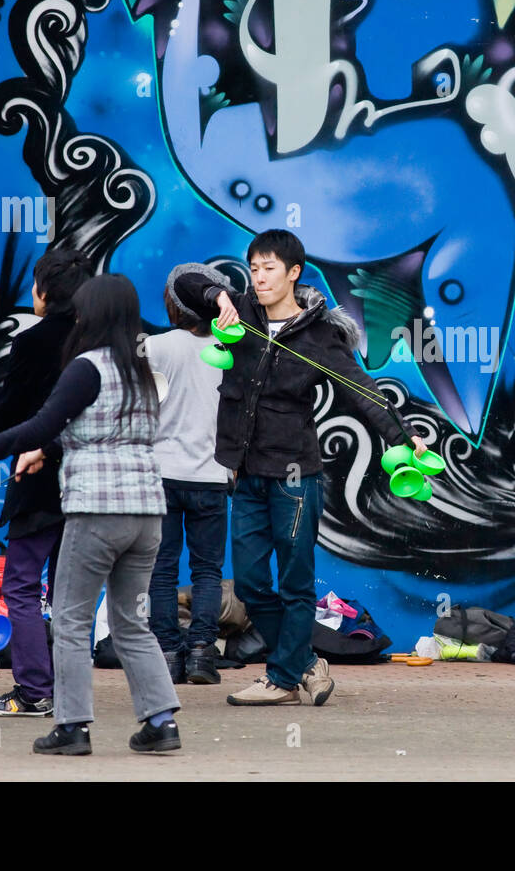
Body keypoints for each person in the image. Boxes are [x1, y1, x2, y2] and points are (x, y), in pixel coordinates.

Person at [173, 229, 426, 706]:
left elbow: (362, 390)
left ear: (293, 273)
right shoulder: (239, 310)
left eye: (269, 269)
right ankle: (306, 664)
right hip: (246, 472)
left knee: (295, 581)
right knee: (249, 581)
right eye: (253, 268)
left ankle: (283, 677)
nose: (260, 278)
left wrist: (401, 435)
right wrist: (218, 294)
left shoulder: (319, 335)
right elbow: (185, 283)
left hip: (294, 475)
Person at [0, 274, 181, 755]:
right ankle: (161, 722)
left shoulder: (86, 367)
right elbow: (101, 430)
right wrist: (47, 450)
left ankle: (72, 727)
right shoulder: (143, 369)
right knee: (130, 623)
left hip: (97, 511)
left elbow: (41, 422)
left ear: (91, 315)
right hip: (147, 516)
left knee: (73, 621)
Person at [0, 249, 92, 715]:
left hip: (38, 483)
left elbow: (16, 413)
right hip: (85, 485)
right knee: (70, 595)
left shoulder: (35, 342)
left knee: (20, 585)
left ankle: (35, 691)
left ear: (44, 291)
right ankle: (69, 694)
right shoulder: (94, 346)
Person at [147, 265, 233, 686]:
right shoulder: (228, 349)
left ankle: (166, 654)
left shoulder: (154, 347)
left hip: (161, 474)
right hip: (212, 476)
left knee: (161, 568)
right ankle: (202, 653)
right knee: (207, 571)